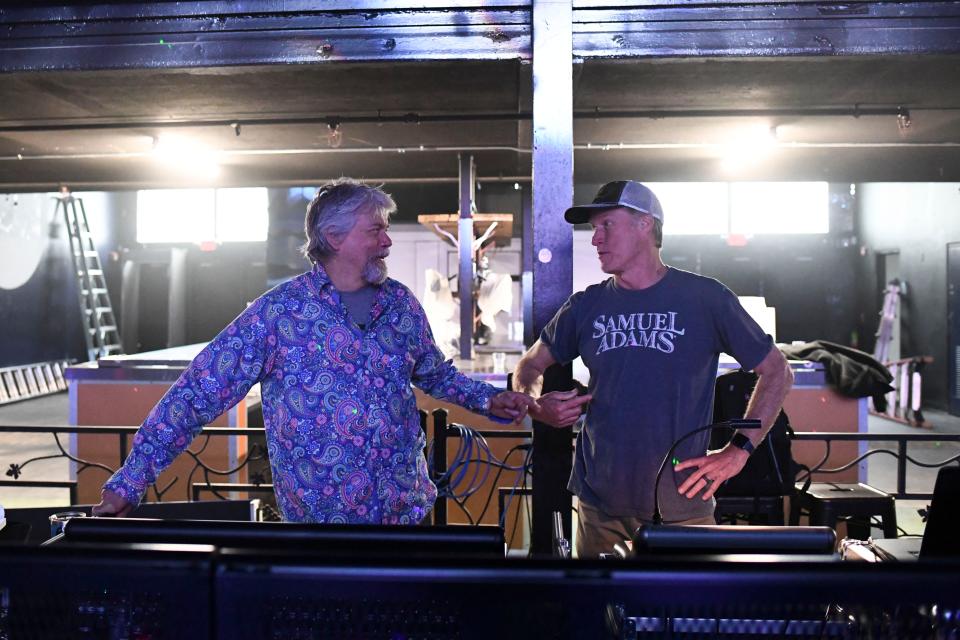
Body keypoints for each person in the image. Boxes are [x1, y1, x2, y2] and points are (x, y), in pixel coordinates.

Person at [93, 178, 534, 524]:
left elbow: (434, 374)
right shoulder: (279, 314)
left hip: (402, 514)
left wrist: (491, 399)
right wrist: (129, 482)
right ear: (334, 237)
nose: (387, 241)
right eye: (375, 229)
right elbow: (196, 393)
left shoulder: (400, 304)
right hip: (320, 524)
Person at [512, 180, 794, 558]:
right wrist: (535, 406)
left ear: (645, 224)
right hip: (600, 507)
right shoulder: (586, 306)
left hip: (682, 506)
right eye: (593, 229)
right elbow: (529, 366)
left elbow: (778, 371)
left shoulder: (705, 298)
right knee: (601, 616)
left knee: (682, 616)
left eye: (606, 225)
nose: (595, 239)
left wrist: (738, 451)